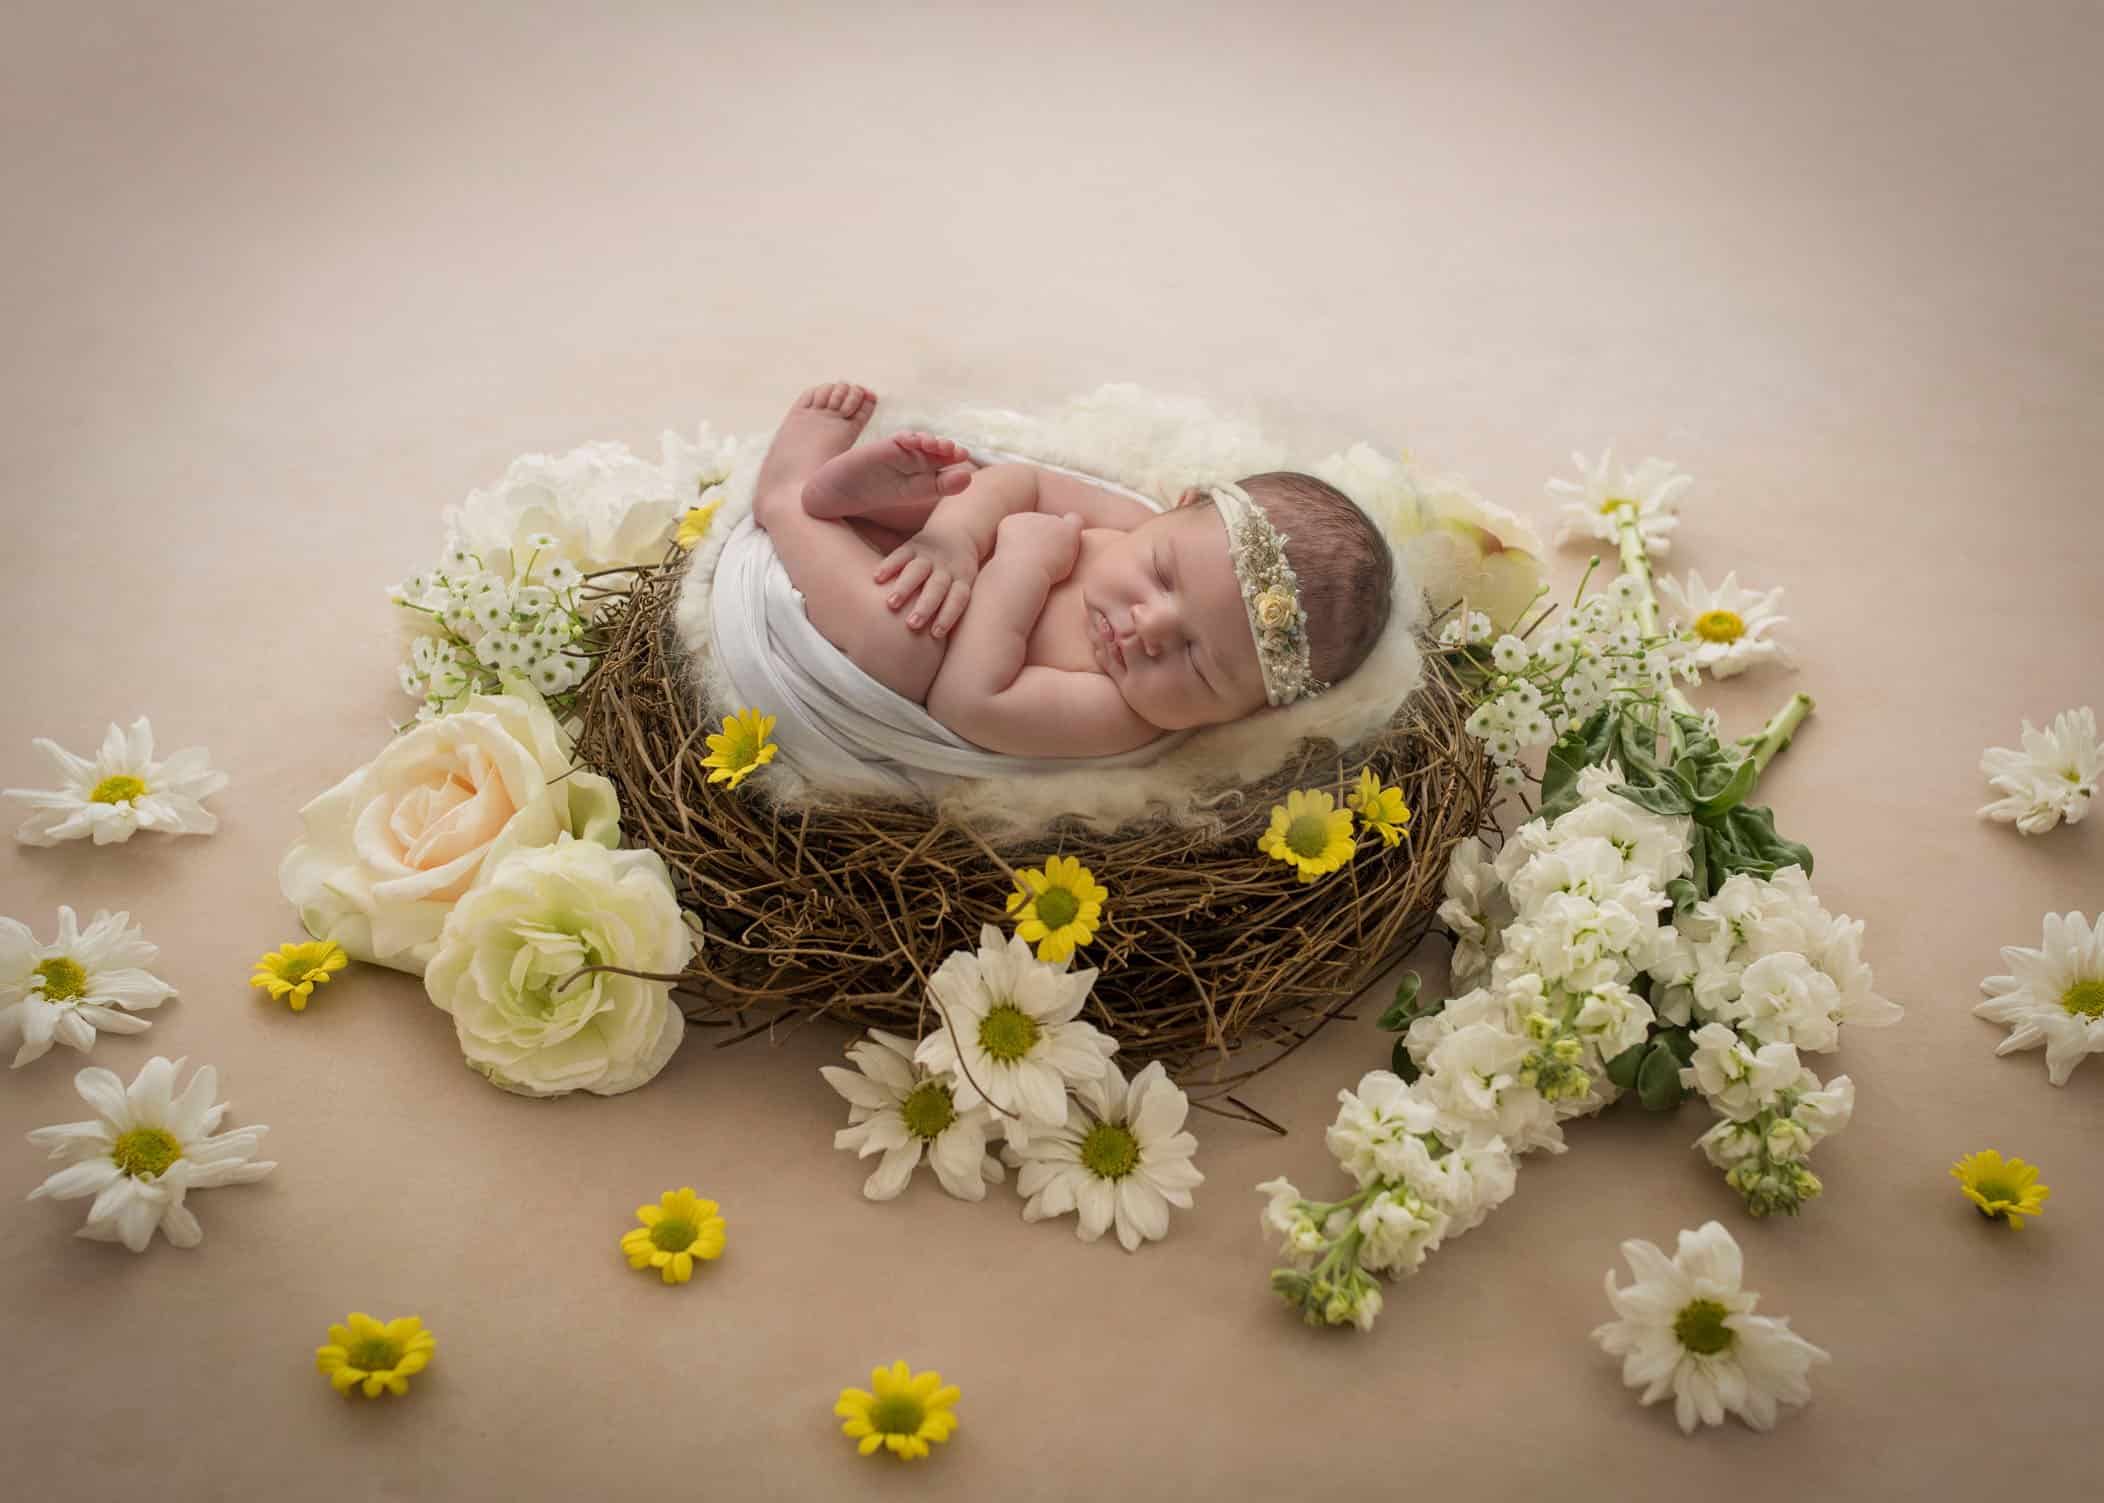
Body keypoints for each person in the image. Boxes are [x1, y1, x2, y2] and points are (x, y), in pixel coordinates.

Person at [749, 382, 1394, 758]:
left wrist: (1017, 574)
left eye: (1197, 660)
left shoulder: (1121, 714)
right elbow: (1022, 481)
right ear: (1181, 506)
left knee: (903, 646)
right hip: (939, 547)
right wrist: (952, 542)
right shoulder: (1130, 519)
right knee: (965, 484)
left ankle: (790, 499)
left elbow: (966, 703)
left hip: (909, 624)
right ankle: (862, 499)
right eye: (1164, 575)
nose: (1149, 628)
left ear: (1242, 715)